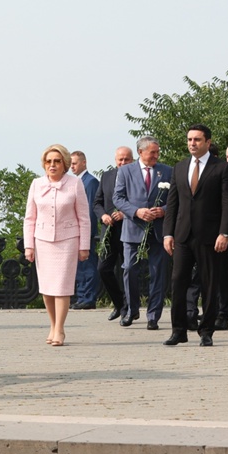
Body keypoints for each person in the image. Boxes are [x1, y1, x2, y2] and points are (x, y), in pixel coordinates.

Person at [162, 124, 228, 347]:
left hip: (210, 236)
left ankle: (206, 331)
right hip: (183, 235)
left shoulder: (222, 168)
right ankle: (178, 330)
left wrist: (224, 232)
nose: (192, 143)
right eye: (189, 139)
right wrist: (168, 233)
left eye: (197, 139)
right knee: (177, 282)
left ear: (207, 143)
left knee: (209, 284)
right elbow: (172, 203)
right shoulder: (179, 167)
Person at [24, 144, 91, 346]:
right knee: (47, 288)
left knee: (62, 286)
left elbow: (84, 218)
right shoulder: (36, 184)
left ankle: (60, 329)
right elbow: (29, 218)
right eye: (48, 161)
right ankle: (52, 325)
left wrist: (84, 246)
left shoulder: (75, 184)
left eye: (57, 161)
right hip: (42, 240)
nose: (52, 165)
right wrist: (29, 246)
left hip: (68, 240)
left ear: (65, 164)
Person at [112, 137, 172, 330]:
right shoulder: (125, 171)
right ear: (140, 152)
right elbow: (118, 198)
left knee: (158, 272)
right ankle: (131, 310)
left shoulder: (167, 171)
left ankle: (153, 315)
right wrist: (136, 212)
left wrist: (163, 210)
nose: (156, 155)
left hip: (159, 229)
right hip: (133, 228)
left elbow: (175, 199)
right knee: (129, 268)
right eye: (152, 152)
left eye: (158, 151)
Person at [187, 142, 228, 330]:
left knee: (222, 275)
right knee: (198, 276)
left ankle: (222, 314)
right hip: (202, 234)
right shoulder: (196, 174)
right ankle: (193, 312)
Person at [92, 146, 134, 320]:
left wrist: (125, 213)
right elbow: (97, 202)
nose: (123, 163)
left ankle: (130, 309)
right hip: (108, 232)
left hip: (129, 230)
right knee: (103, 269)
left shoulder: (136, 176)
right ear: (115, 160)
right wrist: (103, 216)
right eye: (120, 159)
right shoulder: (107, 176)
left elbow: (141, 201)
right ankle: (119, 303)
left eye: (126, 159)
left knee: (128, 270)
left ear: (132, 160)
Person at [70, 150, 100, 310]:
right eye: (70, 164)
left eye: (74, 163)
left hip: (85, 232)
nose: (71, 167)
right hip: (75, 231)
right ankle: (82, 297)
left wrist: (85, 232)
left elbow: (88, 210)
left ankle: (88, 297)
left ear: (83, 163)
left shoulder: (90, 182)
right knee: (80, 266)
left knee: (87, 265)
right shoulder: (76, 182)